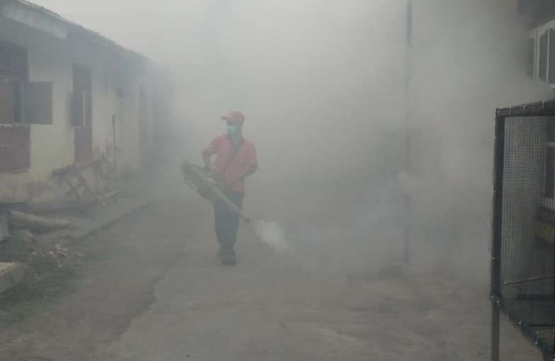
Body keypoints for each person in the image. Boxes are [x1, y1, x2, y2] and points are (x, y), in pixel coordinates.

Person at [202, 111, 258, 266]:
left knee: (232, 219)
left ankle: (228, 249)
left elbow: (253, 167)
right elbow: (205, 153)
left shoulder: (249, 146)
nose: (228, 126)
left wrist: (238, 177)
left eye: (231, 123)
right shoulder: (219, 141)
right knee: (220, 218)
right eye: (227, 123)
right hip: (218, 187)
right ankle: (224, 245)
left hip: (237, 189)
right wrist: (210, 170)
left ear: (239, 125)